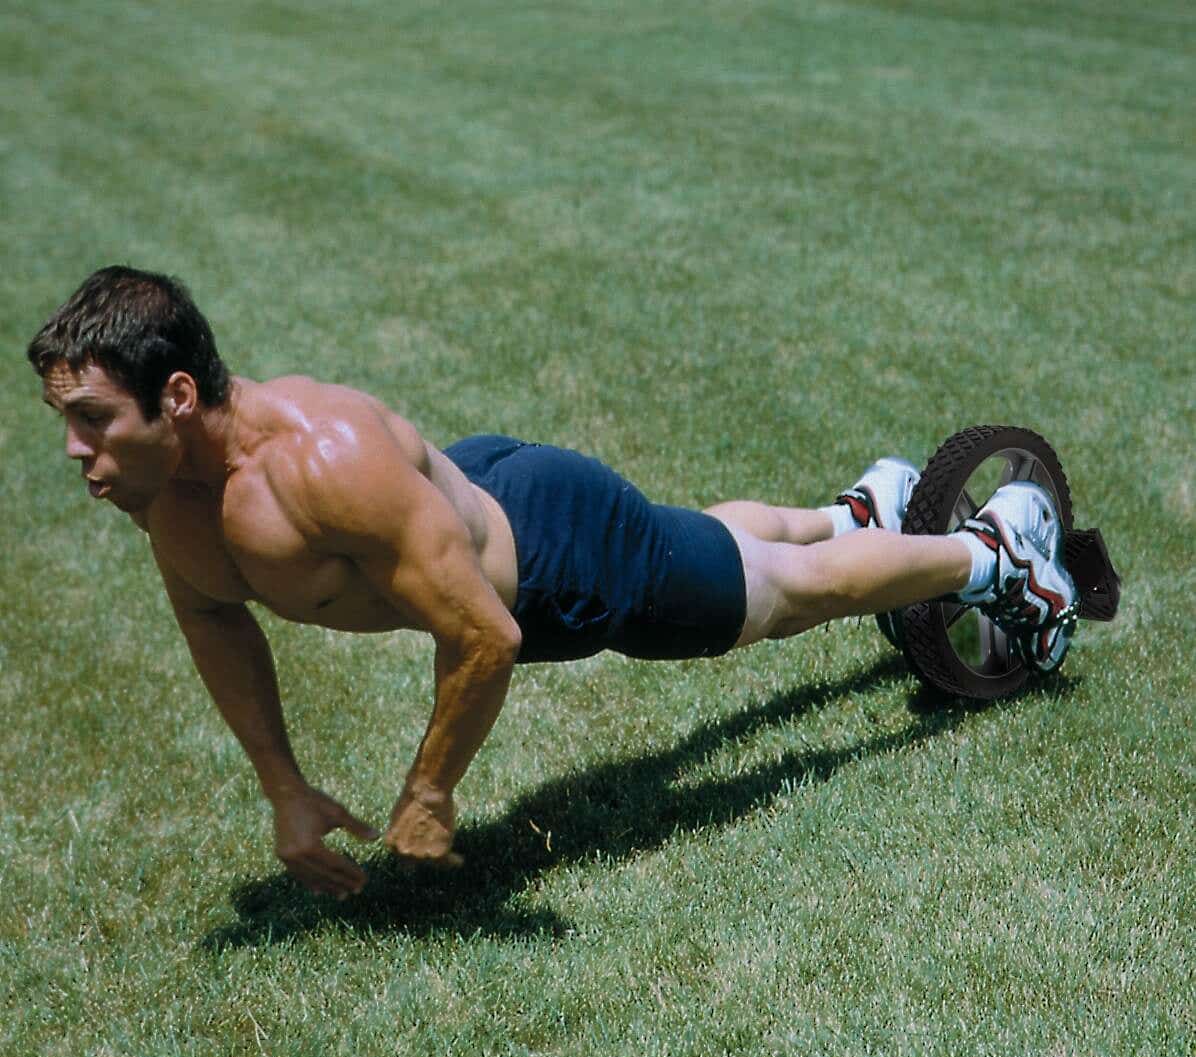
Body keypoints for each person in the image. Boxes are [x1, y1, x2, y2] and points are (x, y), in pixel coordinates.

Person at [27, 267, 1078, 898]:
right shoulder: (167, 491)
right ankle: (856, 514)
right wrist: (283, 788)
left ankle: (997, 563)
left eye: (92, 420)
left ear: (175, 396)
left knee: (773, 600)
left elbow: (484, 636)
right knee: (704, 545)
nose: (76, 451)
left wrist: (430, 794)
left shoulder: (317, 464)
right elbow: (213, 617)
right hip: (470, 506)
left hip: (555, 554)